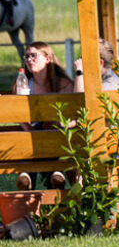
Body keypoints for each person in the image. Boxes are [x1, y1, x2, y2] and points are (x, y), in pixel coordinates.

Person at [17, 41, 78, 191]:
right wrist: (29, 129)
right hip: (33, 136)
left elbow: (74, 115)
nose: (29, 59)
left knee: (49, 134)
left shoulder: (63, 83)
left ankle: (28, 176)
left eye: (33, 55)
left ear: (47, 59)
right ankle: (54, 175)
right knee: (35, 133)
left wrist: (57, 122)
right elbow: (18, 113)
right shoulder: (23, 83)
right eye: (27, 56)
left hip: (57, 136)